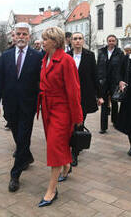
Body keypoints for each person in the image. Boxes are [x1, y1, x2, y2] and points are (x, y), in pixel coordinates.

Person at [0, 22, 42, 192]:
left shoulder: (37, 57)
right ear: (13, 36)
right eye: (18, 34)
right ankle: (26, 156)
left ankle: (15, 175)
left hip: (28, 105)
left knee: (23, 138)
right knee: (17, 134)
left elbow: (40, 82)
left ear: (29, 36)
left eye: (24, 34)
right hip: (10, 105)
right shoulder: (5, 56)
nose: (21, 37)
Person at [38, 27, 83, 207]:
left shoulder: (66, 61)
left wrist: (77, 116)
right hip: (47, 108)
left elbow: (74, 91)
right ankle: (66, 165)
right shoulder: (45, 59)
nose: (43, 42)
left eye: (46, 39)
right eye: (43, 39)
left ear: (56, 41)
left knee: (55, 146)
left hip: (62, 110)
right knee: (54, 143)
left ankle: (52, 190)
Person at [67, 32, 103, 166]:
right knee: (70, 123)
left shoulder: (89, 55)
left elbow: (95, 75)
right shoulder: (67, 56)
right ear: (71, 41)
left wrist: (99, 95)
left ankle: (74, 153)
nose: (77, 41)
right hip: (69, 96)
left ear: (83, 41)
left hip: (84, 95)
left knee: (80, 122)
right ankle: (73, 145)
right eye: (75, 39)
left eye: (79, 39)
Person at [97, 34, 123, 134]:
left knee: (114, 101)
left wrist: (120, 80)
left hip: (114, 81)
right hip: (103, 81)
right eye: (110, 41)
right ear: (107, 42)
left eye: (113, 41)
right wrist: (98, 78)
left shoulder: (119, 53)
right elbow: (98, 65)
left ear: (116, 42)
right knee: (103, 103)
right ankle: (103, 127)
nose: (111, 42)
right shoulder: (102, 52)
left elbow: (122, 67)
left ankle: (115, 121)